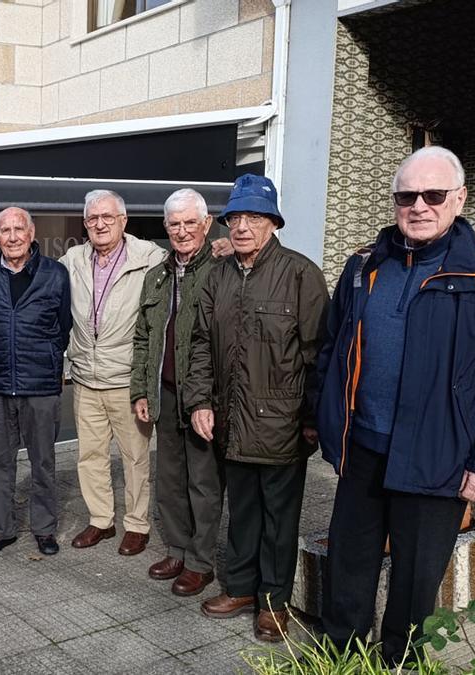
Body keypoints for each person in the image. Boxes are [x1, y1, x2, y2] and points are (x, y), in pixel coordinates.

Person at [317, 146, 475, 663]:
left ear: (459, 199)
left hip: (439, 455)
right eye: (407, 196)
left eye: (434, 195)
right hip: (363, 448)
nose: (419, 206)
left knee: (416, 581)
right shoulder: (363, 267)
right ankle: (341, 658)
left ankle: (400, 663)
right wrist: (325, 421)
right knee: (348, 565)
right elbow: (331, 350)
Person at [184, 174, 328, 642]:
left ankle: (273, 602)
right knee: (242, 512)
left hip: (282, 424)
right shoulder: (218, 276)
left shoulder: (301, 274)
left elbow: (318, 354)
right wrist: (200, 401)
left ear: (273, 223)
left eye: (254, 217)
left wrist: (312, 420)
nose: (242, 227)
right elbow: (200, 343)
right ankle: (241, 588)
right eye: (235, 218)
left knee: (278, 520)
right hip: (231, 420)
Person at [61, 190, 166, 556]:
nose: (100, 224)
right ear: (85, 223)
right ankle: (101, 520)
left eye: (107, 217)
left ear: (123, 220)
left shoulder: (149, 257)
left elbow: (190, 262)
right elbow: (36, 273)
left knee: (135, 458)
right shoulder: (73, 259)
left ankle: (137, 525)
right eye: (93, 218)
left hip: (126, 380)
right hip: (85, 379)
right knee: (90, 456)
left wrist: (222, 249)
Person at [130, 189, 223, 596]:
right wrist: (141, 389)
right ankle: (178, 550)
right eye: (174, 224)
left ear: (206, 224)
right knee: (169, 481)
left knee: (202, 483)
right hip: (164, 393)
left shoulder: (220, 269)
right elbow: (142, 338)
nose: (182, 231)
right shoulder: (157, 275)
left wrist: (207, 399)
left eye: (190, 223)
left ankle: (201, 562)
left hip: (203, 396)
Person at [0, 207, 72, 556]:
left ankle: (44, 529)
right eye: (5, 230)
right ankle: (3, 529)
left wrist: (44, 358)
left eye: (19, 229)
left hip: (40, 385)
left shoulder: (55, 274)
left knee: (42, 461)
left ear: (32, 233)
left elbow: (63, 326)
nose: (13, 237)